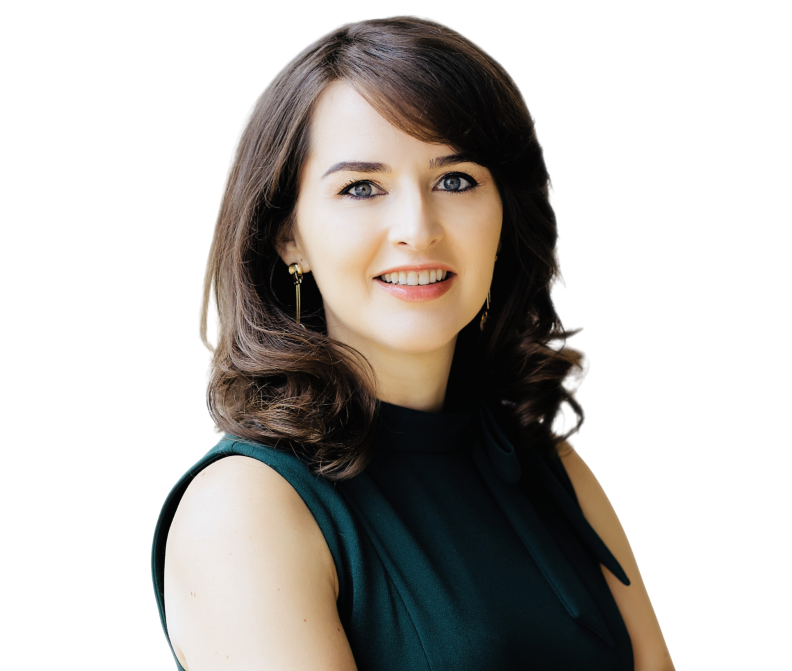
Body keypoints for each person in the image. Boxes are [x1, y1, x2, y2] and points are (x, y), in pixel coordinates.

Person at [151, 16, 674, 671]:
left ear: (505, 212)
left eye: (455, 179)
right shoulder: (245, 509)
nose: (416, 228)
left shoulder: (547, 464)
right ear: (289, 236)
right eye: (361, 187)